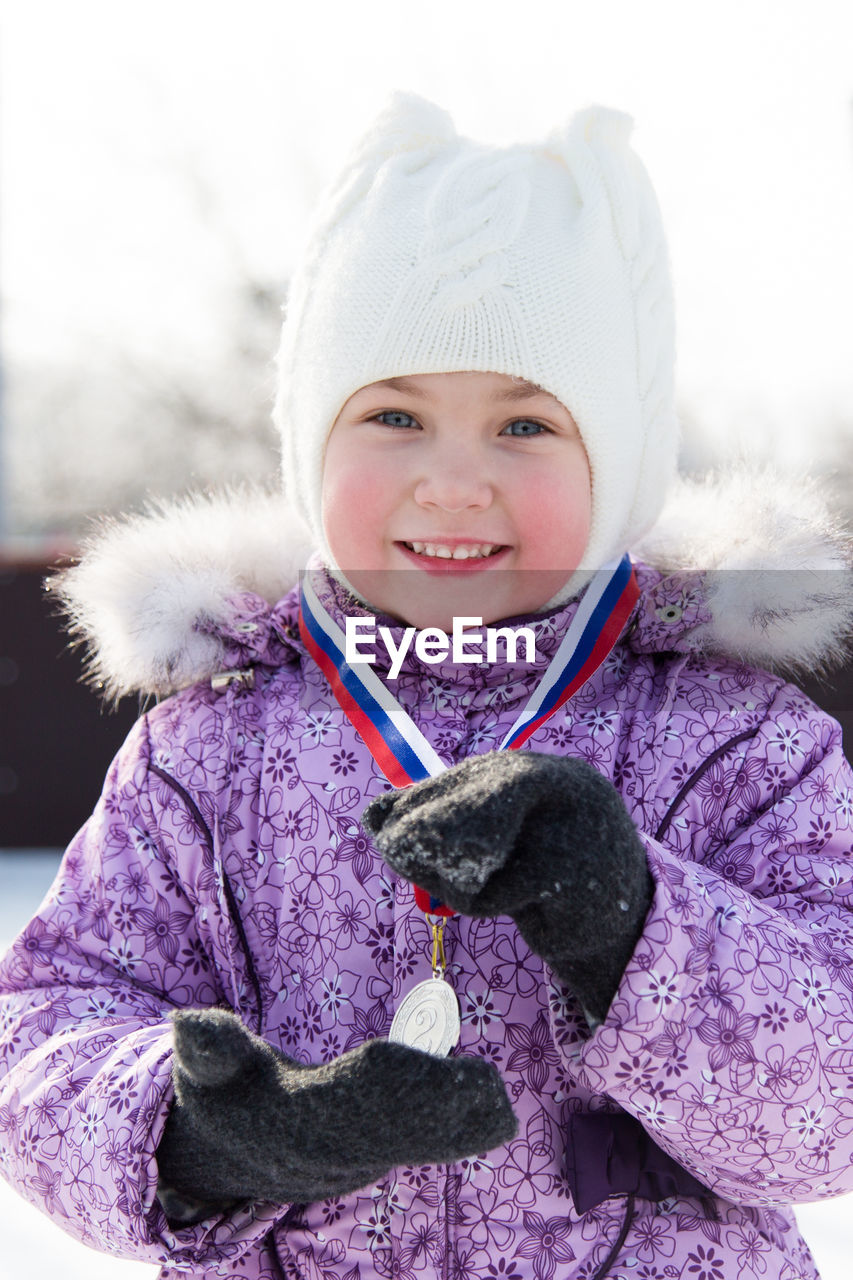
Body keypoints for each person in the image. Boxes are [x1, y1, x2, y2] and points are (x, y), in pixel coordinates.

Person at [1, 92, 853, 1280]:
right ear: (309, 442)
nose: (452, 483)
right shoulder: (205, 752)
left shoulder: (736, 741)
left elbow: (834, 1103)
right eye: (394, 414)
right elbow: (43, 1028)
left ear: (618, 464)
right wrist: (202, 1132)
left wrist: (634, 918)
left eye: (523, 426)